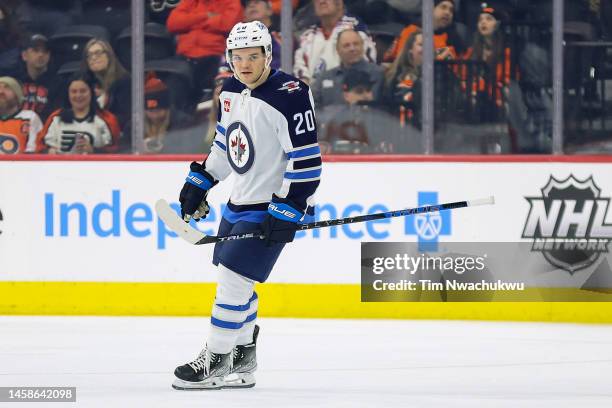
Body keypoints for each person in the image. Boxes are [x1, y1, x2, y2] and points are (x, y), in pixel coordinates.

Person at [172, 20, 321, 390]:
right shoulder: (230, 91)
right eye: (238, 57)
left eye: (254, 56)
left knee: (232, 282)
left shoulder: (291, 94)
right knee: (238, 280)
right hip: (239, 202)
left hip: (272, 203)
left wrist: (289, 208)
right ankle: (242, 361)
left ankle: (216, 360)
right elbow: (226, 145)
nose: (245, 64)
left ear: (268, 55)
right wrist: (201, 180)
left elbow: (306, 160)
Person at [318, 69, 420, 153]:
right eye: (359, 91)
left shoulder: (383, 119)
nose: (366, 96)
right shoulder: (336, 122)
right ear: (346, 95)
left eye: (369, 90)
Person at [166, 0, 243, 96]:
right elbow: (172, 23)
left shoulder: (231, 2)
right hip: (184, 56)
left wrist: (189, 23)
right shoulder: (190, 2)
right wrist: (205, 16)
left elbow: (229, 23)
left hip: (215, 56)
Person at [294, 0, 377, 84]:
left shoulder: (355, 28)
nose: (322, 1)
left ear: (339, 3)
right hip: (314, 93)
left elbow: (367, 67)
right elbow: (300, 72)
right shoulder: (308, 36)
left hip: (348, 90)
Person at [36, 73, 120, 154]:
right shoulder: (55, 118)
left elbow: (116, 151)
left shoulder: (107, 120)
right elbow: (40, 148)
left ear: (91, 92)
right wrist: (49, 152)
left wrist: (94, 151)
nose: (78, 95)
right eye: (74, 91)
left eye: (83, 91)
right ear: (68, 94)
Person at [122, 73, 200, 154]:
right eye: (151, 111)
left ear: (166, 108)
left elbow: (189, 150)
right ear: (144, 110)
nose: (154, 116)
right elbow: (123, 152)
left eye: (158, 110)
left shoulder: (183, 123)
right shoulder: (133, 127)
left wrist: (166, 147)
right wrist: (138, 149)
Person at [311, 28, 384, 107]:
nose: (352, 48)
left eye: (356, 44)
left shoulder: (378, 74)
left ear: (362, 46)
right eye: (346, 45)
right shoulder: (325, 77)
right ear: (338, 50)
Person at [462, 3, 513, 109]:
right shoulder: (471, 51)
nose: (483, 22)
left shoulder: (506, 52)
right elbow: (464, 76)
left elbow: (507, 80)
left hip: (497, 100)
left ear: (497, 24)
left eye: (489, 19)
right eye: (480, 20)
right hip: (475, 99)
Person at [384, 0, 464, 63]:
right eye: (443, 7)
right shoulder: (412, 31)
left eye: (451, 10)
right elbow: (403, 62)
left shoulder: (455, 40)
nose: (447, 13)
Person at [81, 38, 131, 130]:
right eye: (89, 55)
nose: (93, 58)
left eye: (98, 53)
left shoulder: (125, 81)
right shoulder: (85, 82)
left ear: (109, 55)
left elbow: (125, 117)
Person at [14, 33, 61, 122]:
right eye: (35, 50)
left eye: (45, 51)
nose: (40, 55)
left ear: (49, 56)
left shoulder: (58, 84)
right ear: (24, 55)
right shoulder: (14, 81)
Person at [384, 30, 423, 127]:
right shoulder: (405, 76)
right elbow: (403, 100)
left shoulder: (441, 73)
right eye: (421, 44)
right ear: (410, 50)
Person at [0, 76, 42, 154]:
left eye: (7, 88)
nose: (1, 92)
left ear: (17, 95)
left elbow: (33, 152)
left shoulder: (29, 117)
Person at [243, 0, 282, 69]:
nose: (251, 6)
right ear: (244, 15)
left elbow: (282, 63)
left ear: (269, 10)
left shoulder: (281, 37)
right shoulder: (237, 40)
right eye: (248, 4)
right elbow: (226, 69)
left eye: (256, 2)